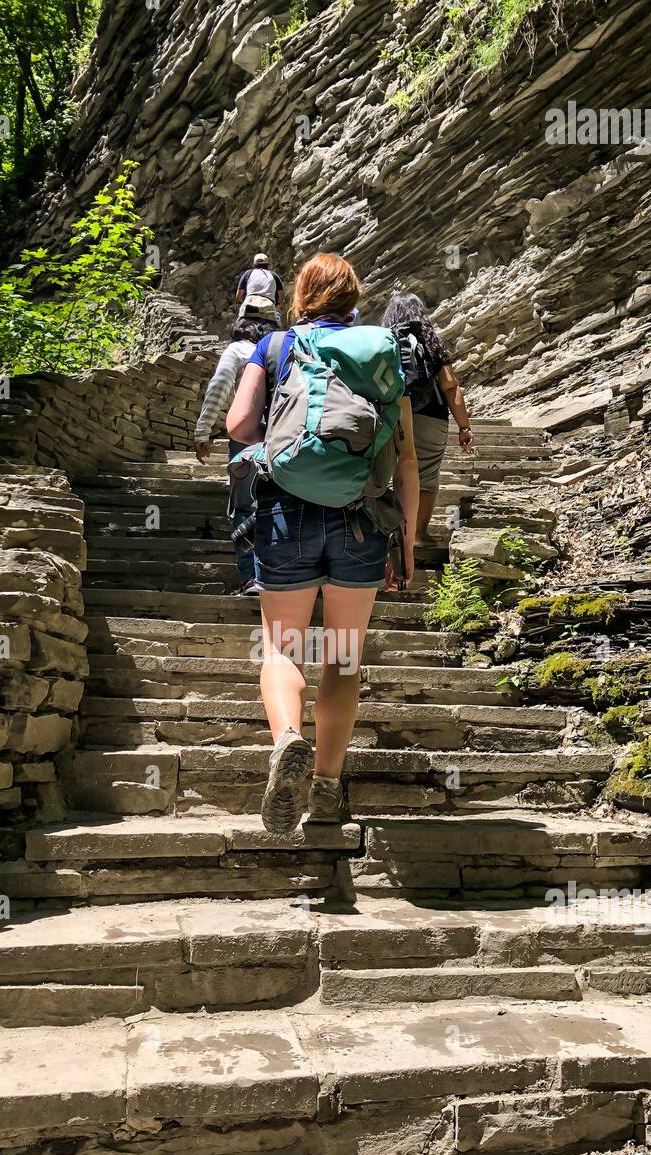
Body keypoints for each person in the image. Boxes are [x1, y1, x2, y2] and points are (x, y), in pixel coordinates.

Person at [226, 252, 418, 833]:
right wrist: (406, 543)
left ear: (301, 295)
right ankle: (328, 788)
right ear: (353, 297)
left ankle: (287, 739)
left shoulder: (277, 347)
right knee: (343, 656)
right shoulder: (381, 352)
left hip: (285, 511)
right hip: (362, 517)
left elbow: (237, 425)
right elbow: (406, 459)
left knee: (282, 645)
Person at [194, 302, 278, 595]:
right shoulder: (283, 348)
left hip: (246, 438)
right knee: (279, 503)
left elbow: (218, 386)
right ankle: (282, 576)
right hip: (283, 437)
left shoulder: (237, 350)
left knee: (245, 506)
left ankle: (251, 578)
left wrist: (203, 431)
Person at [380, 291, 472, 543]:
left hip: (393, 413)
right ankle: (419, 534)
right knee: (428, 476)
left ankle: (392, 533)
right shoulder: (432, 341)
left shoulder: (384, 340)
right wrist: (464, 427)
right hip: (432, 415)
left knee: (392, 470)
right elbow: (450, 385)